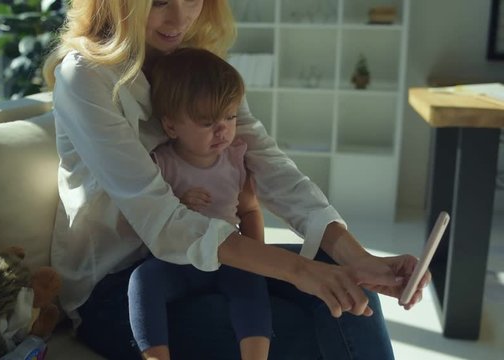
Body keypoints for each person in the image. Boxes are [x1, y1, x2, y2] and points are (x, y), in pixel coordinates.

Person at [42, 1, 430, 359]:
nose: (180, 19)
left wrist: (358, 258)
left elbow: (268, 164)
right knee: (296, 325)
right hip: (120, 285)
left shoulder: (196, 62)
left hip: (211, 264)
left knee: (352, 289)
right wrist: (300, 271)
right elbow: (164, 221)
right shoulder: (85, 78)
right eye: (159, 1)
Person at [127, 47, 272, 359]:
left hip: (229, 258)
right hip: (177, 262)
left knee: (251, 283)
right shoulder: (160, 163)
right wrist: (178, 204)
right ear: (171, 127)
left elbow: (249, 210)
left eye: (230, 117)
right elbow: (150, 217)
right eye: (207, 122)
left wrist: (258, 257)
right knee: (142, 280)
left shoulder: (236, 158)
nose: (223, 130)